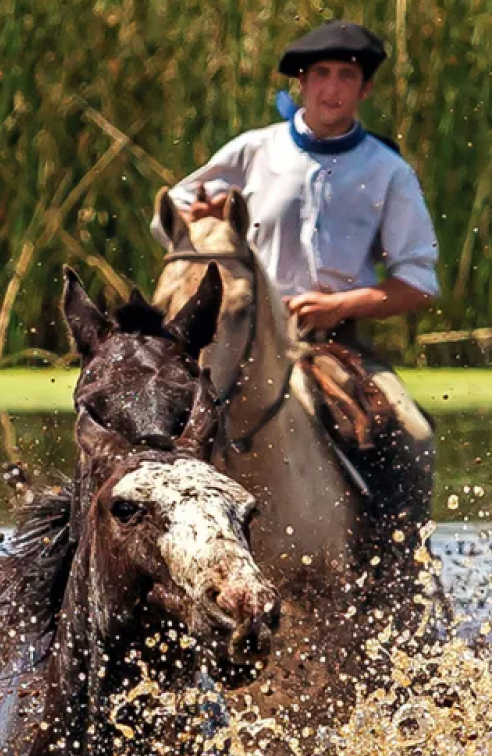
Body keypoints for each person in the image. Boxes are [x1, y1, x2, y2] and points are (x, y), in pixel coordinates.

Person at [151, 20, 437, 528]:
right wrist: (205, 216)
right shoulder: (254, 151)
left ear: (365, 88)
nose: (331, 88)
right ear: (301, 83)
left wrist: (339, 306)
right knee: (159, 418)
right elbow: (170, 212)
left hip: (333, 347)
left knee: (412, 432)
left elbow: (417, 281)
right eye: (320, 74)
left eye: (346, 76)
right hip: (242, 340)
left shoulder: (388, 171)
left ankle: (398, 564)